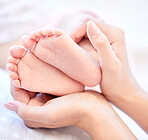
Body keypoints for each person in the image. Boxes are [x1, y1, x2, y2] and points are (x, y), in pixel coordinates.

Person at [5, 13, 148, 139]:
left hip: (105, 56)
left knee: (80, 26)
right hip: (112, 65)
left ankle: (86, 59)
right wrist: (125, 92)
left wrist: (92, 111)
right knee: (80, 27)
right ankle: (86, 60)